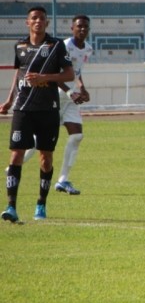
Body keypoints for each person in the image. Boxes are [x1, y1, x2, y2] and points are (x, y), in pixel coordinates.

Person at [0, 6, 74, 223]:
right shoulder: (20, 46)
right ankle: (11, 206)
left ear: (46, 23)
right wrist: (9, 100)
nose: (38, 21)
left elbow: (68, 74)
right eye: (34, 18)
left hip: (48, 109)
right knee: (15, 155)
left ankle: (41, 203)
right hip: (23, 109)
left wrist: (45, 78)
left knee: (45, 157)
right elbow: (18, 73)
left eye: (42, 18)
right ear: (27, 22)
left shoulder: (55, 45)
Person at [21, 15, 93, 195]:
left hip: (71, 98)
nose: (82, 30)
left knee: (77, 136)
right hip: (56, 96)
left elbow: (75, 72)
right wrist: (70, 92)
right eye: (79, 26)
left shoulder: (88, 49)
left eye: (85, 27)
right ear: (72, 28)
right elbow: (54, 73)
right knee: (41, 138)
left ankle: (63, 180)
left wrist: (82, 88)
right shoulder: (63, 46)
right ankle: (15, 164)